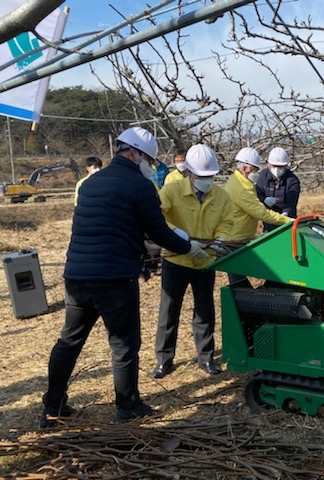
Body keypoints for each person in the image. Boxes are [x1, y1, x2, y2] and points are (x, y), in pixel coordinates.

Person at [40, 127, 210, 428]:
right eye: (149, 159)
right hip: (114, 278)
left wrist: (138, 243)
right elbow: (158, 231)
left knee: (69, 341)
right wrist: (189, 248)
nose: (150, 166)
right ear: (133, 153)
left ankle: (52, 406)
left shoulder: (92, 183)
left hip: (77, 274)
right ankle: (127, 406)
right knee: (123, 344)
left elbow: (108, 225)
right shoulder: (139, 185)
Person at [151, 144, 234, 379]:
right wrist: (178, 236)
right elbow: (157, 218)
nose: (206, 180)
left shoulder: (221, 195)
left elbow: (228, 222)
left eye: (210, 176)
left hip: (205, 260)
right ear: (189, 172)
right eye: (201, 175)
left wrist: (221, 240)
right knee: (169, 311)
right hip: (176, 259)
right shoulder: (171, 190)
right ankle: (164, 359)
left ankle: (206, 357)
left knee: (204, 310)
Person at [225, 147, 292, 283]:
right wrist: (287, 220)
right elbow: (261, 213)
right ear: (245, 168)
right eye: (255, 170)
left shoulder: (242, 182)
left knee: (239, 274)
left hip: (241, 235)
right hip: (235, 238)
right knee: (238, 278)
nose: (256, 173)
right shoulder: (240, 188)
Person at [256, 147, 301, 232]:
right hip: (269, 219)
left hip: (287, 220)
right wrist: (264, 199)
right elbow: (258, 193)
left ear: (285, 166)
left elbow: (291, 202)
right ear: (269, 164)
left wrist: (285, 214)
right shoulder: (262, 176)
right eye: (274, 166)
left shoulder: (292, 180)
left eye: (280, 166)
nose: (277, 169)